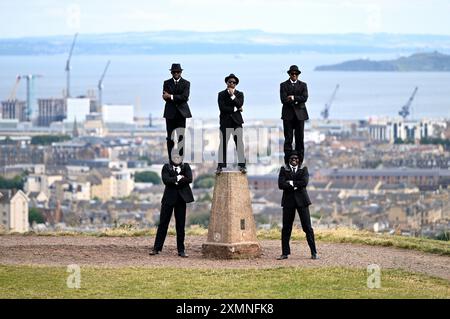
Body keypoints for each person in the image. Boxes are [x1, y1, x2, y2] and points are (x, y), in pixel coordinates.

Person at [150, 154, 194, 258]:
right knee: (163, 224)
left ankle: (181, 250)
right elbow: (166, 181)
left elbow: (189, 179)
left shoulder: (186, 166)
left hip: (181, 200)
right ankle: (156, 248)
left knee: (180, 225)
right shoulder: (166, 167)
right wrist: (178, 178)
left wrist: (173, 180)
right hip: (168, 199)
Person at [277, 151, 318, 260]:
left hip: (302, 201)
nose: (294, 160)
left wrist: (290, 183)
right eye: (292, 158)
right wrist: (296, 184)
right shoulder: (283, 169)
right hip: (288, 202)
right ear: (289, 160)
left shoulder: (303, 169)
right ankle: (285, 253)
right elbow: (281, 185)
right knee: (286, 228)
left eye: (296, 158)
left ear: (299, 160)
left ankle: (314, 252)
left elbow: (304, 182)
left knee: (307, 227)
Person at [216, 73, 247, 174]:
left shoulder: (240, 94)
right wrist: (236, 109)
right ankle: (220, 166)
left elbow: (240, 103)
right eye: (230, 82)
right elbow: (222, 108)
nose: (231, 84)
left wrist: (232, 96)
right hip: (225, 122)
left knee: (239, 144)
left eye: (233, 82)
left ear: (236, 84)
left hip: (237, 122)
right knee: (223, 144)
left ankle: (242, 165)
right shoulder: (221, 94)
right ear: (226, 83)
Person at [162, 63, 192, 163]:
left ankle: (180, 159)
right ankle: (171, 159)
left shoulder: (186, 83)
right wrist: (174, 97)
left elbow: (185, 97)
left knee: (180, 137)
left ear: (181, 72)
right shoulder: (166, 83)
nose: (176, 73)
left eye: (178, 72)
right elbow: (165, 97)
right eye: (174, 72)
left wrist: (170, 96)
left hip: (181, 114)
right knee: (169, 138)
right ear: (171, 72)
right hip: (170, 114)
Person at [280, 65, 309, 165]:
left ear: (298, 75)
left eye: (296, 74)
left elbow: (305, 98)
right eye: (292, 74)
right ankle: (287, 161)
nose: (294, 75)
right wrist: (298, 99)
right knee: (288, 138)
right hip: (288, 115)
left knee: (299, 138)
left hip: (300, 116)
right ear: (289, 74)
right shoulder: (283, 85)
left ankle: (300, 160)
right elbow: (283, 99)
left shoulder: (303, 85)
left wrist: (293, 98)